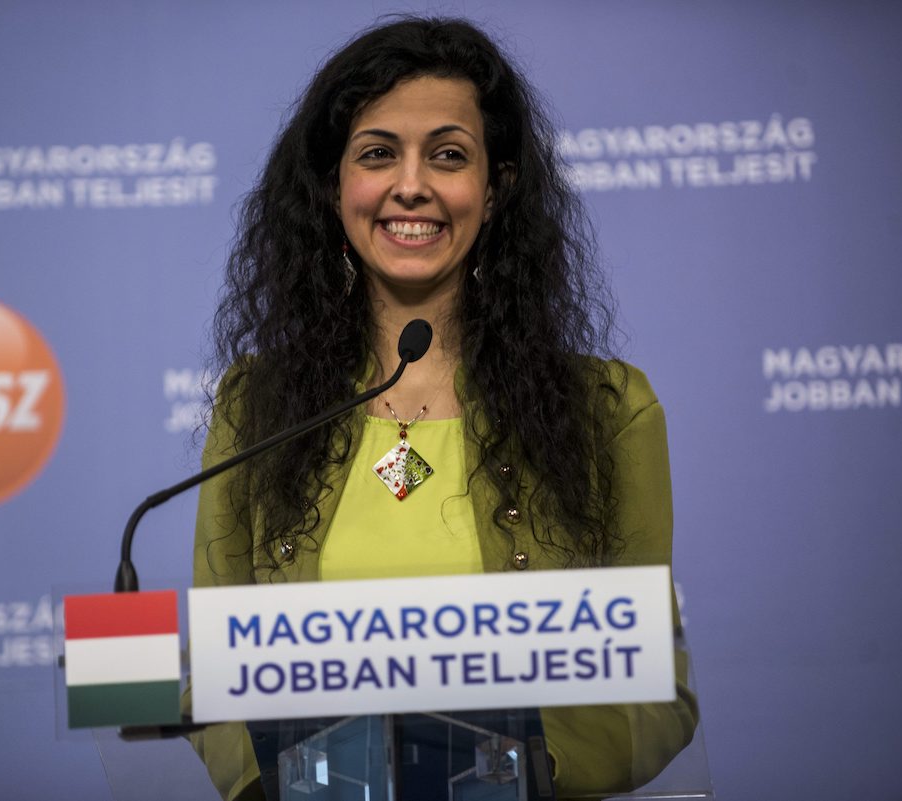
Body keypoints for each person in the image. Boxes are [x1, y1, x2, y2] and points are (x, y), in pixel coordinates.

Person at [186, 16, 698, 800]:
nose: (411, 184)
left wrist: (514, 772)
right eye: (377, 153)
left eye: (449, 154)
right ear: (332, 186)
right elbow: (216, 678)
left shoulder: (606, 412)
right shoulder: (256, 408)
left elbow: (653, 697)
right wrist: (275, 784)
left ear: (496, 189)